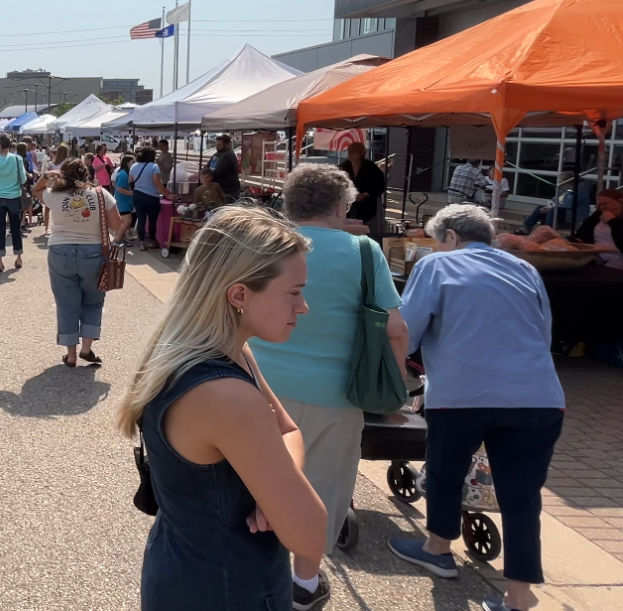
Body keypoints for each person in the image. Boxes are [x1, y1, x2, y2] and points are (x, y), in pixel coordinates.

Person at [115, 204, 326, 611]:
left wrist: (275, 490)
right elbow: (310, 535)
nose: (303, 307)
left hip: (182, 567)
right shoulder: (228, 394)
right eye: (294, 292)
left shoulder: (207, 354)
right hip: (229, 586)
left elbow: (288, 431)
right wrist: (279, 491)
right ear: (239, 295)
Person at [248, 163, 409, 610]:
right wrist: (394, 393)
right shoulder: (364, 251)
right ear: (342, 205)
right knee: (320, 490)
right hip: (335, 395)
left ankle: (250, 572)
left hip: (256, 384)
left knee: (252, 482)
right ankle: (303, 582)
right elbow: (396, 329)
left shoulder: (266, 243)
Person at [390, 203, 566, 611]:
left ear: (451, 236)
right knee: (522, 497)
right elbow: (543, 334)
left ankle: (437, 549)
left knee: (446, 471)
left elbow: (406, 332)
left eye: (438, 241)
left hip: (461, 394)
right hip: (538, 395)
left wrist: (397, 378)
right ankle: (518, 597)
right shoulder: (524, 269)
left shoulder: (436, 266)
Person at [35, 158, 122, 367]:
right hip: (93, 252)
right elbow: (117, 224)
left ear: (63, 175)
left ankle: (71, 354)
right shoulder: (100, 194)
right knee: (93, 301)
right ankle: (86, 348)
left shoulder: (54, 194)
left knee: (66, 303)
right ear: (87, 174)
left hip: (60, 251)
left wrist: (46, 176)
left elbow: (36, 191)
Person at [0, 133, 27, 272]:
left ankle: (0, 261)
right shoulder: (17, 159)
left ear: (0, 145)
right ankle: (18, 257)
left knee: (0, 228)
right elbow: (23, 179)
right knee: (15, 228)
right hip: (13, 196)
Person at [519, 171, 593, 233]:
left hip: (575, 214)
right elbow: (554, 200)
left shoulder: (578, 189)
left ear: (569, 181)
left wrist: (550, 208)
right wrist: (548, 206)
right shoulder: (564, 189)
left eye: (561, 181)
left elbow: (567, 205)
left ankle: (547, 231)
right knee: (540, 208)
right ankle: (526, 228)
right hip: (564, 211)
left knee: (553, 210)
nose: (560, 184)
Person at [129, 147, 171, 251]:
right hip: (151, 197)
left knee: (141, 220)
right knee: (152, 221)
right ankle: (152, 241)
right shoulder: (154, 166)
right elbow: (157, 182)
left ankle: (142, 244)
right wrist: (166, 193)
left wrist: (137, 189)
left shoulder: (134, 166)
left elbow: (130, 181)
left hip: (138, 196)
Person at [570, 188, 623, 270]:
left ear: (620, 202)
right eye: (600, 205)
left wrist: (612, 221)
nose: (602, 207)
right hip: (597, 255)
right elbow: (583, 233)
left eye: (605, 204)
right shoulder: (598, 216)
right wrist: (577, 240)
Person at [338, 141, 387, 229]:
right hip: (347, 204)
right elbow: (337, 184)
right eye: (349, 152)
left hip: (367, 206)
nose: (350, 154)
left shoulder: (372, 168)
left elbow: (380, 186)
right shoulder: (343, 167)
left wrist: (366, 194)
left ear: (361, 153)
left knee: (366, 228)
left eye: (353, 152)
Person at [208, 135, 241, 201]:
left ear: (227, 145)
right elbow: (207, 166)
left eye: (219, 145)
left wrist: (207, 176)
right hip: (219, 189)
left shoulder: (228, 156)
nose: (217, 147)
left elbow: (218, 172)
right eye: (216, 145)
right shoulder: (216, 155)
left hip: (228, 190)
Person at [113, 154, 135, 244]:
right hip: (122, 202)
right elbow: (119, 188)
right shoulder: (123, 174)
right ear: (127, 163)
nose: (134, 164)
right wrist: (130, 193)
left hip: (125, 202)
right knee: (127, 221)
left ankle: (122, 238)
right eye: (133, 162)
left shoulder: (126, 173)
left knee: (124, 222)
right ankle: (117, 239)